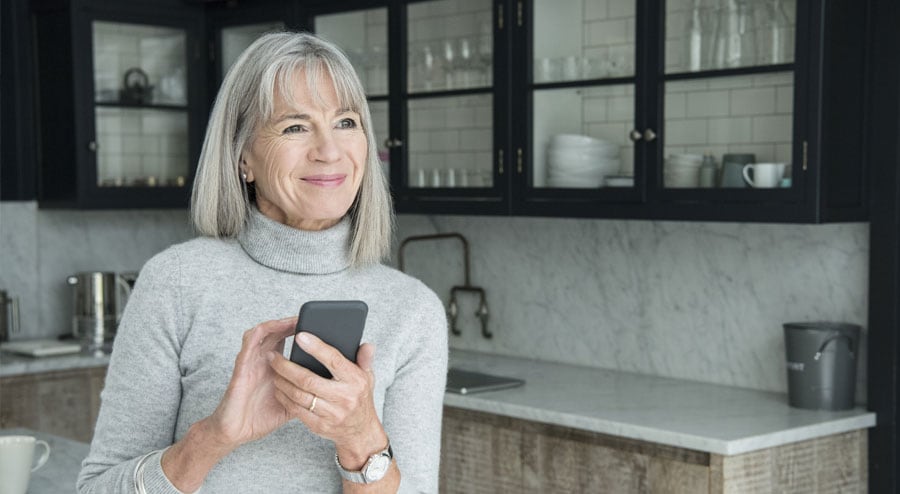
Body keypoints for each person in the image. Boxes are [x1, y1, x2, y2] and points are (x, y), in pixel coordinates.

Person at [77, 32, 448, 493]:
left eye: (346, 122)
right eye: (295, 126)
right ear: (242, 156)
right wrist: (214, 436)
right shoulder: (175, 283)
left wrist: (360, 439)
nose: (329, 150)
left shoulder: (413, 311)